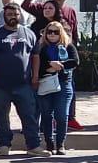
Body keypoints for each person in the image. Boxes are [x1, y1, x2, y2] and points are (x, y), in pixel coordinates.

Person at [0, 5, 47, 157]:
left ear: (20, 15)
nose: (13, 16)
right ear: (4, 15)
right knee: (2, 116)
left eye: (15, 14)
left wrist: (35, 76)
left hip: (23, 84)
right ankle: (4, 144)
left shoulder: (29, 33)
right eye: (9, 14)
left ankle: (33, 145)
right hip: (0, 85)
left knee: (29, 116)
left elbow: (35, 56)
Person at [32, 21, 78, 155]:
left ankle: (60, 143)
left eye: (55, 32)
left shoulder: (68, 46)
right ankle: (49, 143)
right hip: (46, 82)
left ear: (61, 34)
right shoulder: (41, 48)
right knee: (46, 115)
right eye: (49, 32)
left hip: (63, 83)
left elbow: (75, 61)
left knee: (61, 115)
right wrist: (49, 66)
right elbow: (36, 66)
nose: (52, 35)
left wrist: (60, 65)